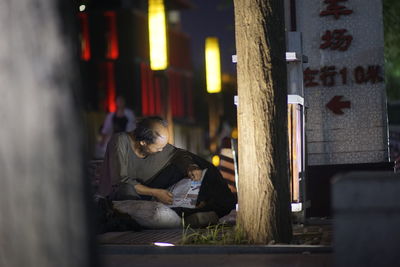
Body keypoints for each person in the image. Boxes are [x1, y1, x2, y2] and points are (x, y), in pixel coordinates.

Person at [97, 116, 236, 225]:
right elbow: (121, 180)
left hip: (151, 186)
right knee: (126, 190)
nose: (162, 150)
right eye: (158, 147)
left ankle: (217, 207)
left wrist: (191, 167)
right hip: (124, 193)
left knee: (197, 162)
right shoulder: (120, 141)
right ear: (143, 142)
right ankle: (184, 219)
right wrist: (156, 193)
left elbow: (178, 154)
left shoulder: (158, 148)